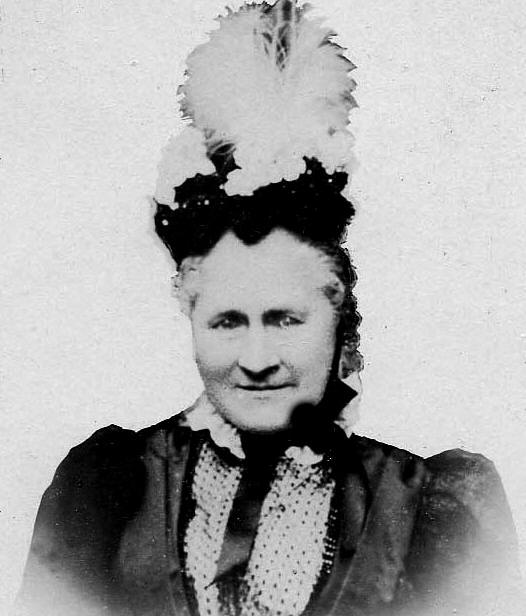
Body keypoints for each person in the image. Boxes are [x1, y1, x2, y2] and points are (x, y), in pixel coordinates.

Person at [17, 1, 522, 615]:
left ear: (338, 319)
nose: (256, 360)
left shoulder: (432, 508)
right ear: (190, 319)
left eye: (285, 319)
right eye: (227, 322)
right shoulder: (104, 491)